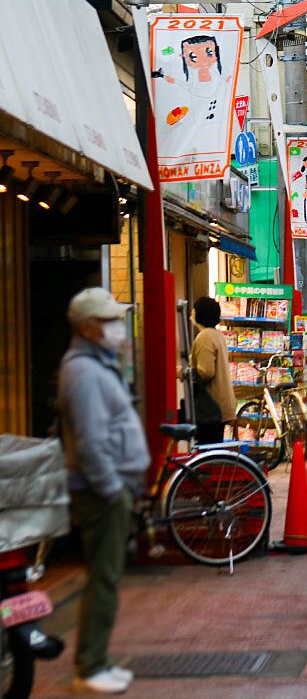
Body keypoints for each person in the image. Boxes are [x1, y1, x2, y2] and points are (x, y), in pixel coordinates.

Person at [57, 288, 150, 694]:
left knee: (106, 577)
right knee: (104, 578)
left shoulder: (95, 365)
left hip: (110, 487)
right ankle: (90, 666)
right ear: (89, 327)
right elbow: (92, 441)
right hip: (101, 492)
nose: (117, 327)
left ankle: (96, 661)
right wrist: (113, 489)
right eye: (110, 320)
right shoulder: (83, 371)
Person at [189, 296, 236, 446]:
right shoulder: (217, 335)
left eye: (194, 310)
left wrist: (185, 373)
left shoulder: (205, 337)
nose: (191, 313)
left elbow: (206, 371)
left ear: (199, 313)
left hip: (211, 407)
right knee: (214, 452)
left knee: (206, 452)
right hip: (220, 404)